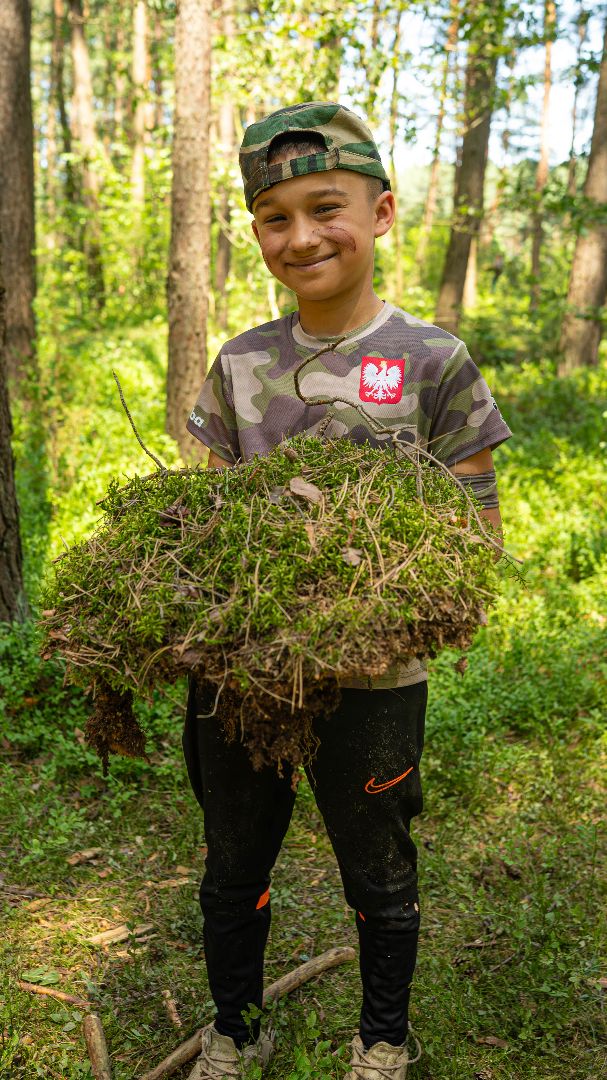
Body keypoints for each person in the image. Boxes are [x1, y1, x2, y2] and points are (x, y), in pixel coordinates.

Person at [183, 102, 512, 1080]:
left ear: (381, 212)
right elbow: (205, 526)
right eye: (274, 217)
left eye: (326, 207)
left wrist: (372, 607)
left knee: (377, 870)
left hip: (374, 684)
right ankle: (237, 1028)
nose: (301, 237)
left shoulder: (431, 361)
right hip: (240, 677)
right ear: (256, 231)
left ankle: (381, 1039)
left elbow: (477, 537)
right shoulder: (240, 364)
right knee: (233, 862)